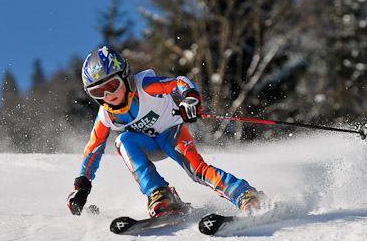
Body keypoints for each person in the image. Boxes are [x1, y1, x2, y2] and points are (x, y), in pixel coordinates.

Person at [67, 46, 266, 217]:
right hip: (147, 145)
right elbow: (94, 149)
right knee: (124, 140)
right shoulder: (106, 115)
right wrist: (82, 187)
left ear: (125, 77)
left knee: (198, 171)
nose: (108, 96)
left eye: (112, 85)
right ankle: (160, 194)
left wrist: (190, 98)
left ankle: (246, 195)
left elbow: (179, 83)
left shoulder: (144, 87)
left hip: (172, 135)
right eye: (98, 92)